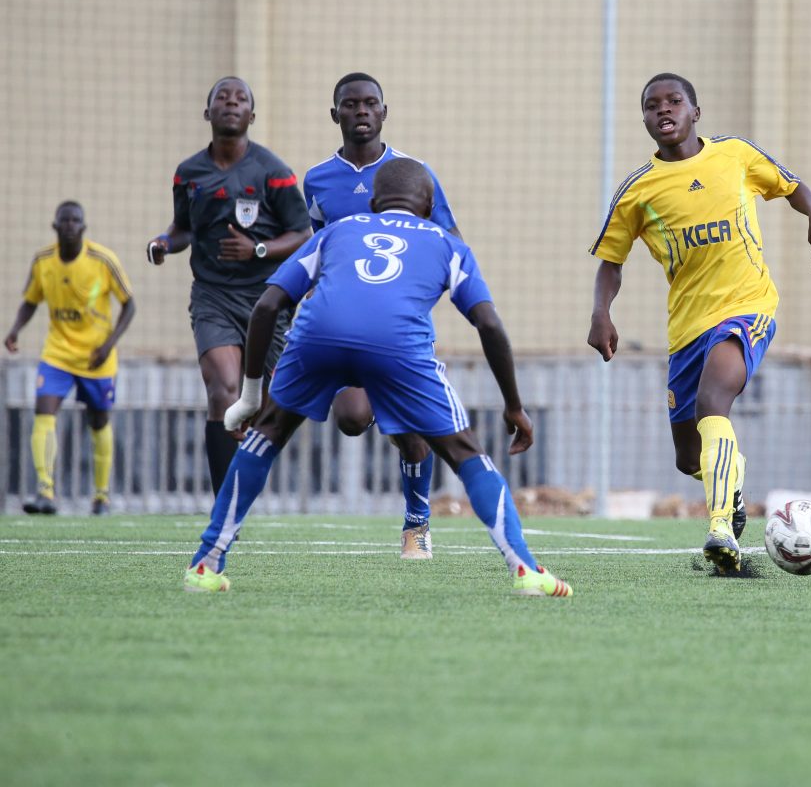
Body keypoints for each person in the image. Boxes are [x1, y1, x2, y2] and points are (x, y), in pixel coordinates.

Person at [183, 157, 572, 598]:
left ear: (372, 202)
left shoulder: (337, 231)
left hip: (317, 335)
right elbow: (489, 325)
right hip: (397, 345)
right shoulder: (447, 244)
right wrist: (514, 405)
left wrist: (251, 396)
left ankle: (205, 563)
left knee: (266, 436)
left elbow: (268, 306)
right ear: (428, 206)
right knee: (465, 452)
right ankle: (525, 569)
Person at [587, 73, 811, 573]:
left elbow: (791, 185)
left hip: (747, 307)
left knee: (712, 402)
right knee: (689, 456)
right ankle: (733, 490)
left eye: (674, 101)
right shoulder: (637, 191)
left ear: (695, 111)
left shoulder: (735, 155)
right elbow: (610, 263)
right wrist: (600, 313)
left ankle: (721, 527)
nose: (664, 110)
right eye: (652, 105)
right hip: (686, 329)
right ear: (644, 120)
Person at [302, 73, 460, 560]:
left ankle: (417, 524)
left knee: (412, 430)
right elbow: (316, 252)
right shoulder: (316, 180)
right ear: (336, 115)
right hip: (345, 327)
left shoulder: (413, 173)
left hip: (402, 328)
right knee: (351, 419)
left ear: (385, 112)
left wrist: (413, 302)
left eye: (371, 103)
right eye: (351, 104)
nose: (362, 111)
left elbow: (448, 244)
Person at [146, 77, 312, 499]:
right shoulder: (188, 173)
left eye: (240, 99)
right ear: (208, 113)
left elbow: (304, 233)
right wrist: (165, 243)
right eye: (223, 97)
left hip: (268, 298)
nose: (231, 103)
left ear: (251, 116)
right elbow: (183, 228)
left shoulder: (273, 172)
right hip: (213, 296)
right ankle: (224, 504)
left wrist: (258, 249)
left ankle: (252, 479)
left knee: (266, 406)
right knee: (223, 388)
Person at [4, 201, 136, 515]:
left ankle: (101, 497)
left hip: (96, 357)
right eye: (65, 220)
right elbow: (30, 301)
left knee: (98, 420)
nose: (70, 225)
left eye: (76, 220)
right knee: (43, 411)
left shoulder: (103, 260)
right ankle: (45, 492)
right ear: (55, 226)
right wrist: (14, 331)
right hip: (58, 354)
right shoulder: (42, 261)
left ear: (83, 227)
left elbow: (129, 304)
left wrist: (108, 345)